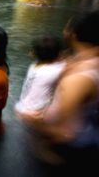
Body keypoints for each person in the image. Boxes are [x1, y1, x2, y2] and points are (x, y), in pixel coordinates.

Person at [19, 9, 99, 169]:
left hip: (72, 148)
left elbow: (66, 132)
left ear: (73, 34)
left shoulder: (78, 79)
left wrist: (31, 120)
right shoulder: (79, 61)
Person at [14, 35, 66, 117]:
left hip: (22, 107)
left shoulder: (34, 66)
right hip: (34, 112)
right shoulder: (55, 70)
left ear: (34, 53)